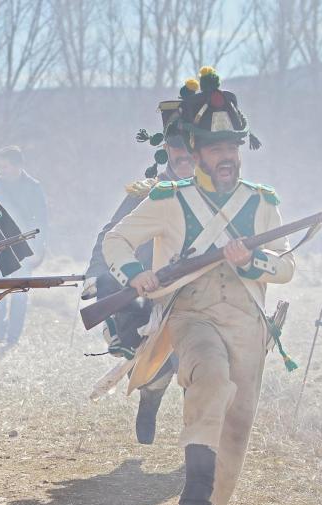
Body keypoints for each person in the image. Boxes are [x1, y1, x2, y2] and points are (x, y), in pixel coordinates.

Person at [101, 68, 292, 505]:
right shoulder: (170, 199)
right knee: (208, 376)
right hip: (192, 315)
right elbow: (117, 239)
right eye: (215, 148)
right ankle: (194, 497)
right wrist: (135, 275)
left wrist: (252, 261)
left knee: (237, 418)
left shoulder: (261, 202)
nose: (226, 157)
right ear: (199, 152)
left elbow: (285, 268)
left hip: (248, 321)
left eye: (232, 148)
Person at [83, 85, 197, 445]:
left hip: (201, 290)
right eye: (178, 148)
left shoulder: (218, 196)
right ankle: (150, 400)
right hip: (151, 292)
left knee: (200, 366)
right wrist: (97, 277)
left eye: (192, 147)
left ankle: (199, 441)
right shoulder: (146, 192)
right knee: (157, 368)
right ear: (167, 150)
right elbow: (110, 236)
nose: (185, 155)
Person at [0, 145, 47, 347]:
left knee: (20, 293)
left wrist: (40, 249)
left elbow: (41, 220)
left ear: (18, 165)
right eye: (1, 166)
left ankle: (13, 336)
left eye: (6, 166)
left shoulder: (34, 187)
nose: (2, 170)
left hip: (25, 247)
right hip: (1, 246)